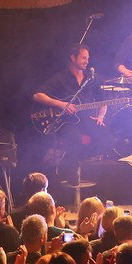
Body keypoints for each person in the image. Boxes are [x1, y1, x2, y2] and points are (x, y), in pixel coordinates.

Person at [31, 44, 109, 182]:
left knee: (107, 139)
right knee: (75, 140)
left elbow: (103, 101)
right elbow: (37, 95)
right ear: (73, 58)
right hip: (65, 123)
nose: (87, 61)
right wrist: (61, 104)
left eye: (88, 58)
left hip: (86, 120)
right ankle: (69, 170)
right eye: (83, 58)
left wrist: (101, 116)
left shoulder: (92, 79)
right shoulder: (61, 77)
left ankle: (70, 161)